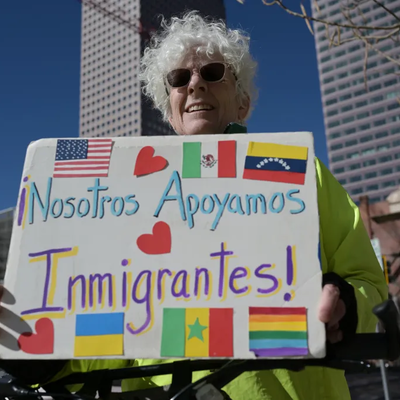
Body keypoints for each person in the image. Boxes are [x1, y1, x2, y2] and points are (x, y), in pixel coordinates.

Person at [0, 11, 387, 400]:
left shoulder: (299, 173)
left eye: (214, 73)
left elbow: (369, 283)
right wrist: (31, 349)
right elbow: (100, 334)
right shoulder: (127, 197)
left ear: (242, 103)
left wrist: (344, 303)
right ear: (170, 112)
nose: (196, 84)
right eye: (179, 79)